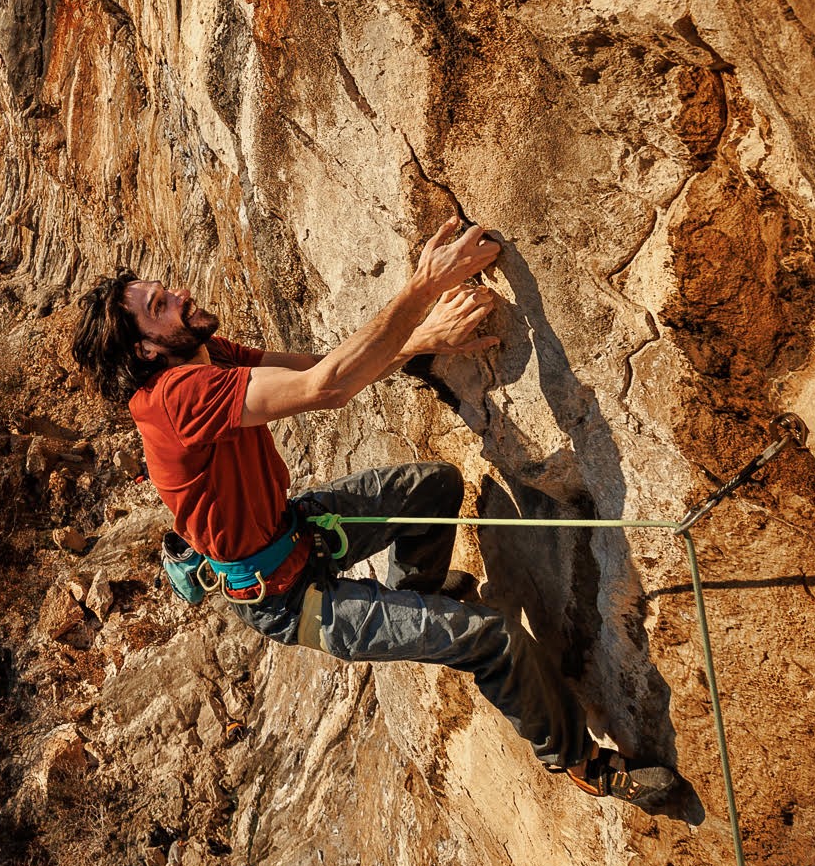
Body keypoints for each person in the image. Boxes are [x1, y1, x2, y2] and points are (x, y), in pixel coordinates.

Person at [70, 218, 683, 810]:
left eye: (162, 289)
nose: (178, 295)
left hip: (298, 534)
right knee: (491, 639)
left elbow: (317, 370)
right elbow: (326, 389)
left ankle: (418, 594)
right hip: (287, 598)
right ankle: (580, 762)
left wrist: (420, 342)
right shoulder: (177, 399)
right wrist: (422, 289)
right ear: (149, 348)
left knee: (434, 488)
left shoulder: (205, 356)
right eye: (159, 305)